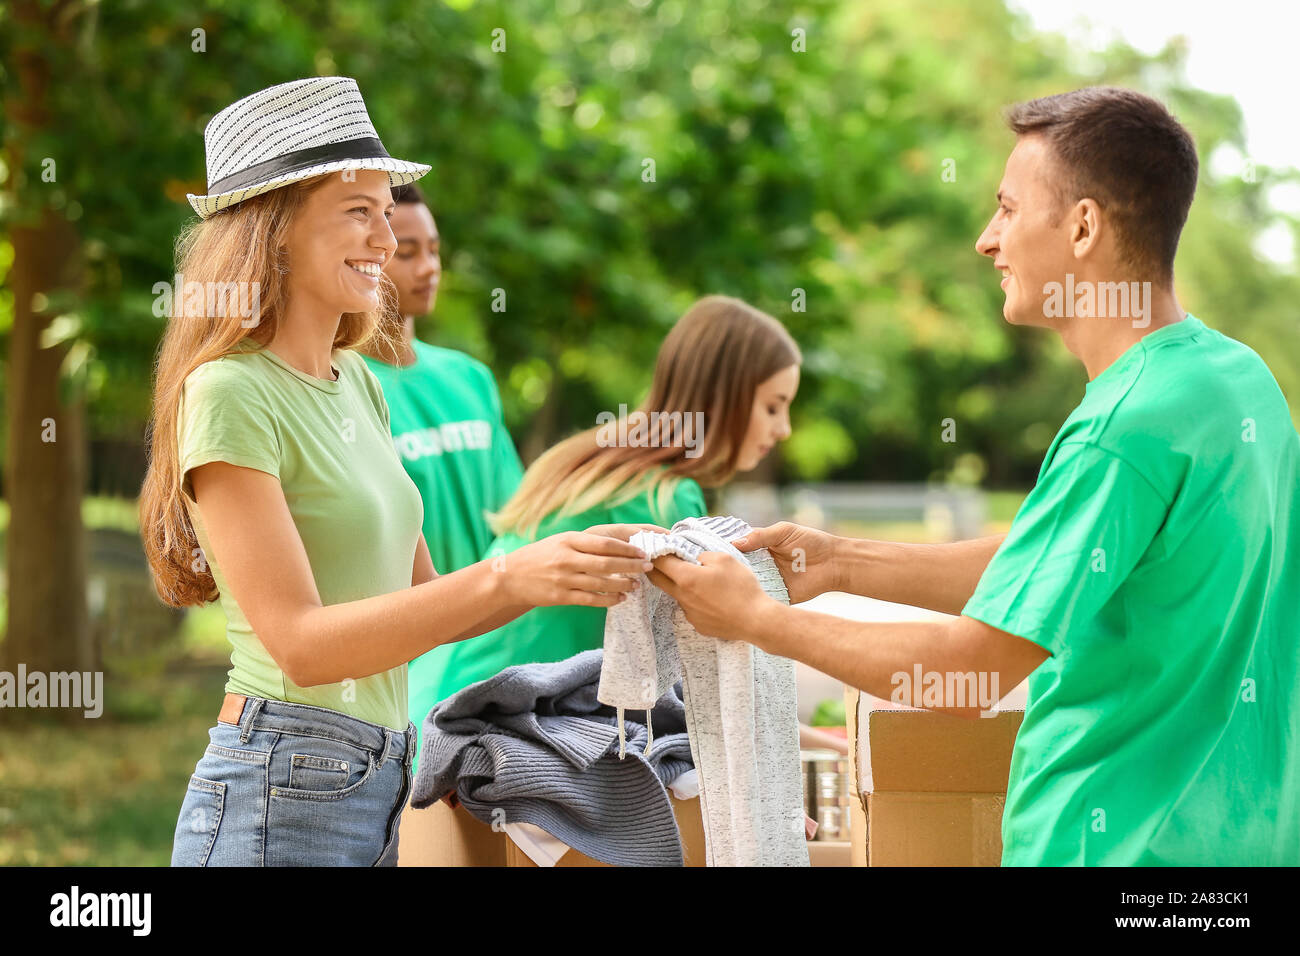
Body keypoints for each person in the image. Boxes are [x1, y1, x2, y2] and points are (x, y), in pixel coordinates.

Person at [650, 87, 1300, 866]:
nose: (987, 241)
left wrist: (760, 622)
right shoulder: (1236, 382)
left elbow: (969, 673)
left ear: (1084, 226)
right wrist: (837, 563)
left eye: (1007, 209)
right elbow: (1061, 567)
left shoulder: (1122, 428)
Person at [140, 77, 652, 867]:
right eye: (358, 212)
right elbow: (302, 646)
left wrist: (578, 561)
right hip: (281, 776)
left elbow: (420, 605)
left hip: (380, 770)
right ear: (273, 232)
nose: (386, 240)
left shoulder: (360, 384)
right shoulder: (230, 392)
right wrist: (513, 577)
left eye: (387, 212)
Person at [423, 294, 802, 706]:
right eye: (772, 407)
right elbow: (700, 675)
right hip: (481, 734)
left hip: (434, 703)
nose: (783, 429)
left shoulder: (594, 460)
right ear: (724, 397)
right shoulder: (662, 498)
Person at [353, 181, 525, 773]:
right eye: (408, 252)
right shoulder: (344, 386)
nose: (428, 268)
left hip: (489, 647)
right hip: (402, 671)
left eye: (435, 250)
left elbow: (516, 517)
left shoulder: (471, 379)